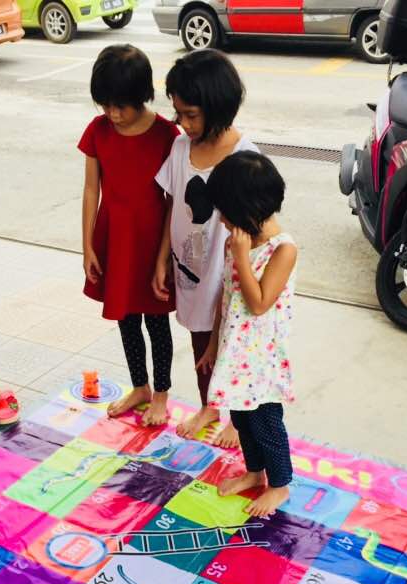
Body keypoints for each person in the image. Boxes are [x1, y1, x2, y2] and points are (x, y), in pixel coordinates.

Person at [152, 49, 258, 448]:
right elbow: (172, 205)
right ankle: (209, 406)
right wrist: (162, 258)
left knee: (234, 348)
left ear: (218, 107)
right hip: (190, 272)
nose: (183, 123)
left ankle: (238, 419)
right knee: (201, 346)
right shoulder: (181, 148)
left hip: (230, 275)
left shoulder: (244, 156)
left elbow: (256, 227)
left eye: (191, 115)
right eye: (178, 113)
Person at [80, 45, 180, 425]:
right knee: (126, 318)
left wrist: (163, 257)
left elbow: (173, 201)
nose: (113, 114)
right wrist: (87, 245)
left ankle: (161, 393)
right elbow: (91, 189)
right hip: (114, 240)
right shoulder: (98, 130)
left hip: (152, 243)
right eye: (106, 105)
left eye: (120, 106)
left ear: (142, 96)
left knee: (157, 321)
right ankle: (140, 386)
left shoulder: (167, 135)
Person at [204, 151, 297, 518]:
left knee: (266, 423)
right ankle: (255, 472)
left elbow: (258, 303)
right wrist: (213, 345)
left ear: (248, 210)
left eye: (226, 213)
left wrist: (242, 256)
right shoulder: (237, 242)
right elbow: (226, 298)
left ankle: (280, 485)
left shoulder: (283, 250)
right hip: (235, 353)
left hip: (263, 359)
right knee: (242, 419)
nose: (222, 220)